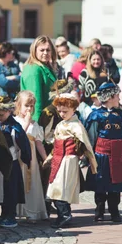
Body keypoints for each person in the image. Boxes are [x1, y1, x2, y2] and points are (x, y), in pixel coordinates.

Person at [46, 91, 97, 229]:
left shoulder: (76, 125)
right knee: (55, 188)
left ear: (73, 109)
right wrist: (49, 158)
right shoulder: (60, 125)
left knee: (61, 188)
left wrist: (93, 163)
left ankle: (65, 215)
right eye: (60, 111)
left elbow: (86, 144)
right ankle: (63, 214)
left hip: (68, 160)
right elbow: (56, 144)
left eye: (65, 111)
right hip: (58, 159)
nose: (62, 114)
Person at [85, 82, 122, 223]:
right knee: (100, 183)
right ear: (111, 97)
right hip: (101, 155)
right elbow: (91, 136)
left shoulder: (121, 116)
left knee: (115, 184)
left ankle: (114, 211)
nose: (119, 98)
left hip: (117, 155)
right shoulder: (96, 116)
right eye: (117, 95)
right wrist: (89, 153)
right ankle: (99, 210)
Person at [0, 96, 31, 229]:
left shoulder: (14, 127)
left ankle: (10, 216)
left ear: (9, 111)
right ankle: (4, 215)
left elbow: (23, 144)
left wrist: (25, 158)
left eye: (1, 115)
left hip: (10, 163)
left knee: (10, 190)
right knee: (0, 191)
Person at [14, 91, 48, 221]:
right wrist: (26, 122)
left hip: (31, 160)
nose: (29, 109)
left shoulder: (35, 125)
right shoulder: (15, 121)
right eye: (26, 105)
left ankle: (31, 211)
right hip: (18, 157)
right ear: (19, 105)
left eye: (32, 106)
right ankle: (17, 210)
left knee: (31, 183)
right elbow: (18, 135)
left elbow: (38, 143)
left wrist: (45, 158)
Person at [20, 36, 58, 122]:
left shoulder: (45, 67)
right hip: (39, 121)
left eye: (48, 50)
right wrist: (37, 125)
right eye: (42, 50)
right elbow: (35, 101)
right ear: (34, 51)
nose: (45, 53)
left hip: (49, 118)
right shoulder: (34, 69)